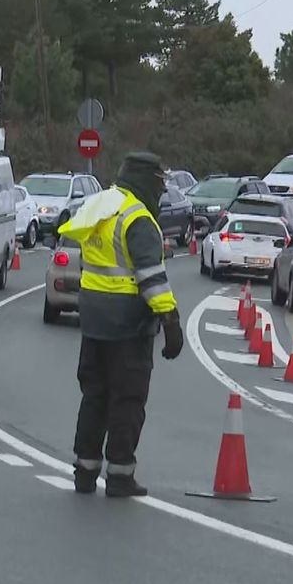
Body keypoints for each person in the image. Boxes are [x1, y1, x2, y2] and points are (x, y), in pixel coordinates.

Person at [57, 152, 183, 498]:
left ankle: (84, 473)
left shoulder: (101, 206)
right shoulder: (137, 218)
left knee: (93, 397)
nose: (161, 193)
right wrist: (169, 320)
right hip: (128, 325)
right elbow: (151, 277)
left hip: (93, 321)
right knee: (126, 401)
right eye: (160, 185)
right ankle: (120, 475)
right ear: (148, 182)